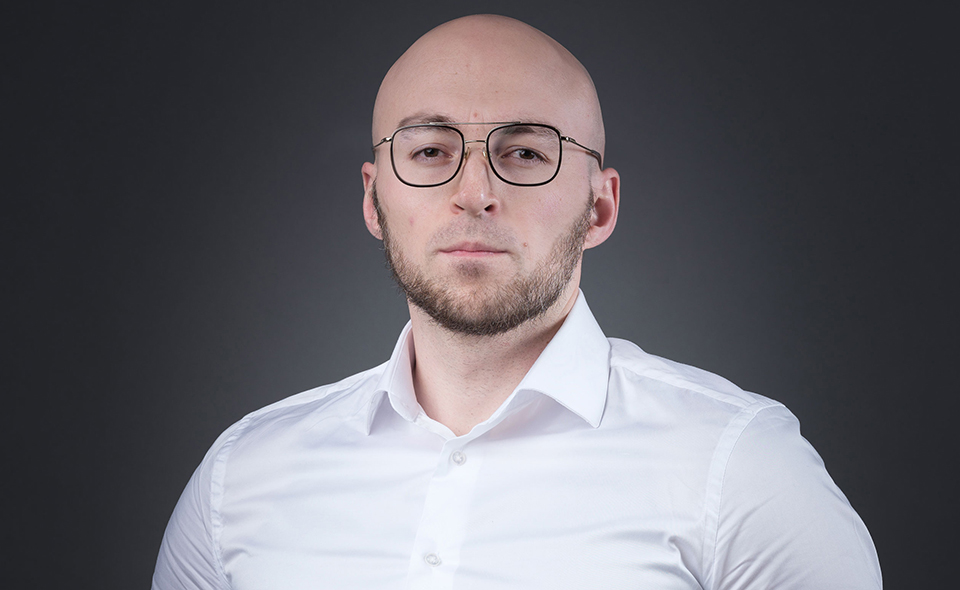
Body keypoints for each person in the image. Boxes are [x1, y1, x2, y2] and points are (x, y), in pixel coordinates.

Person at [153, 14, 881, 589]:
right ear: (374, 200)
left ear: (600, 208)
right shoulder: (239, 480)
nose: (474, 193)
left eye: (526, 153)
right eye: (432, 150)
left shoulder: (743, 471)